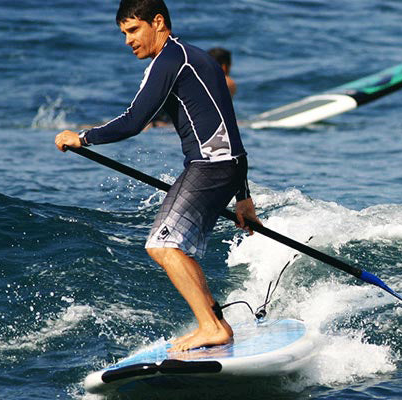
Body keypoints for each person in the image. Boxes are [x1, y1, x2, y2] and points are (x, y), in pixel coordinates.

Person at [54, 0, 260, 352]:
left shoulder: (169, 61)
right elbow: (232, 132)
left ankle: (212, 327)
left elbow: (134, 120)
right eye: (123, 34)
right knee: (173, 246)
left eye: (133, 30)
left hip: (209, 167)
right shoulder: (198, 57)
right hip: (224, 166)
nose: (128, 41)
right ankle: (216, 323)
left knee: (162, 245)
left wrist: (84, 137)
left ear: (158, 22)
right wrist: (242, 195)